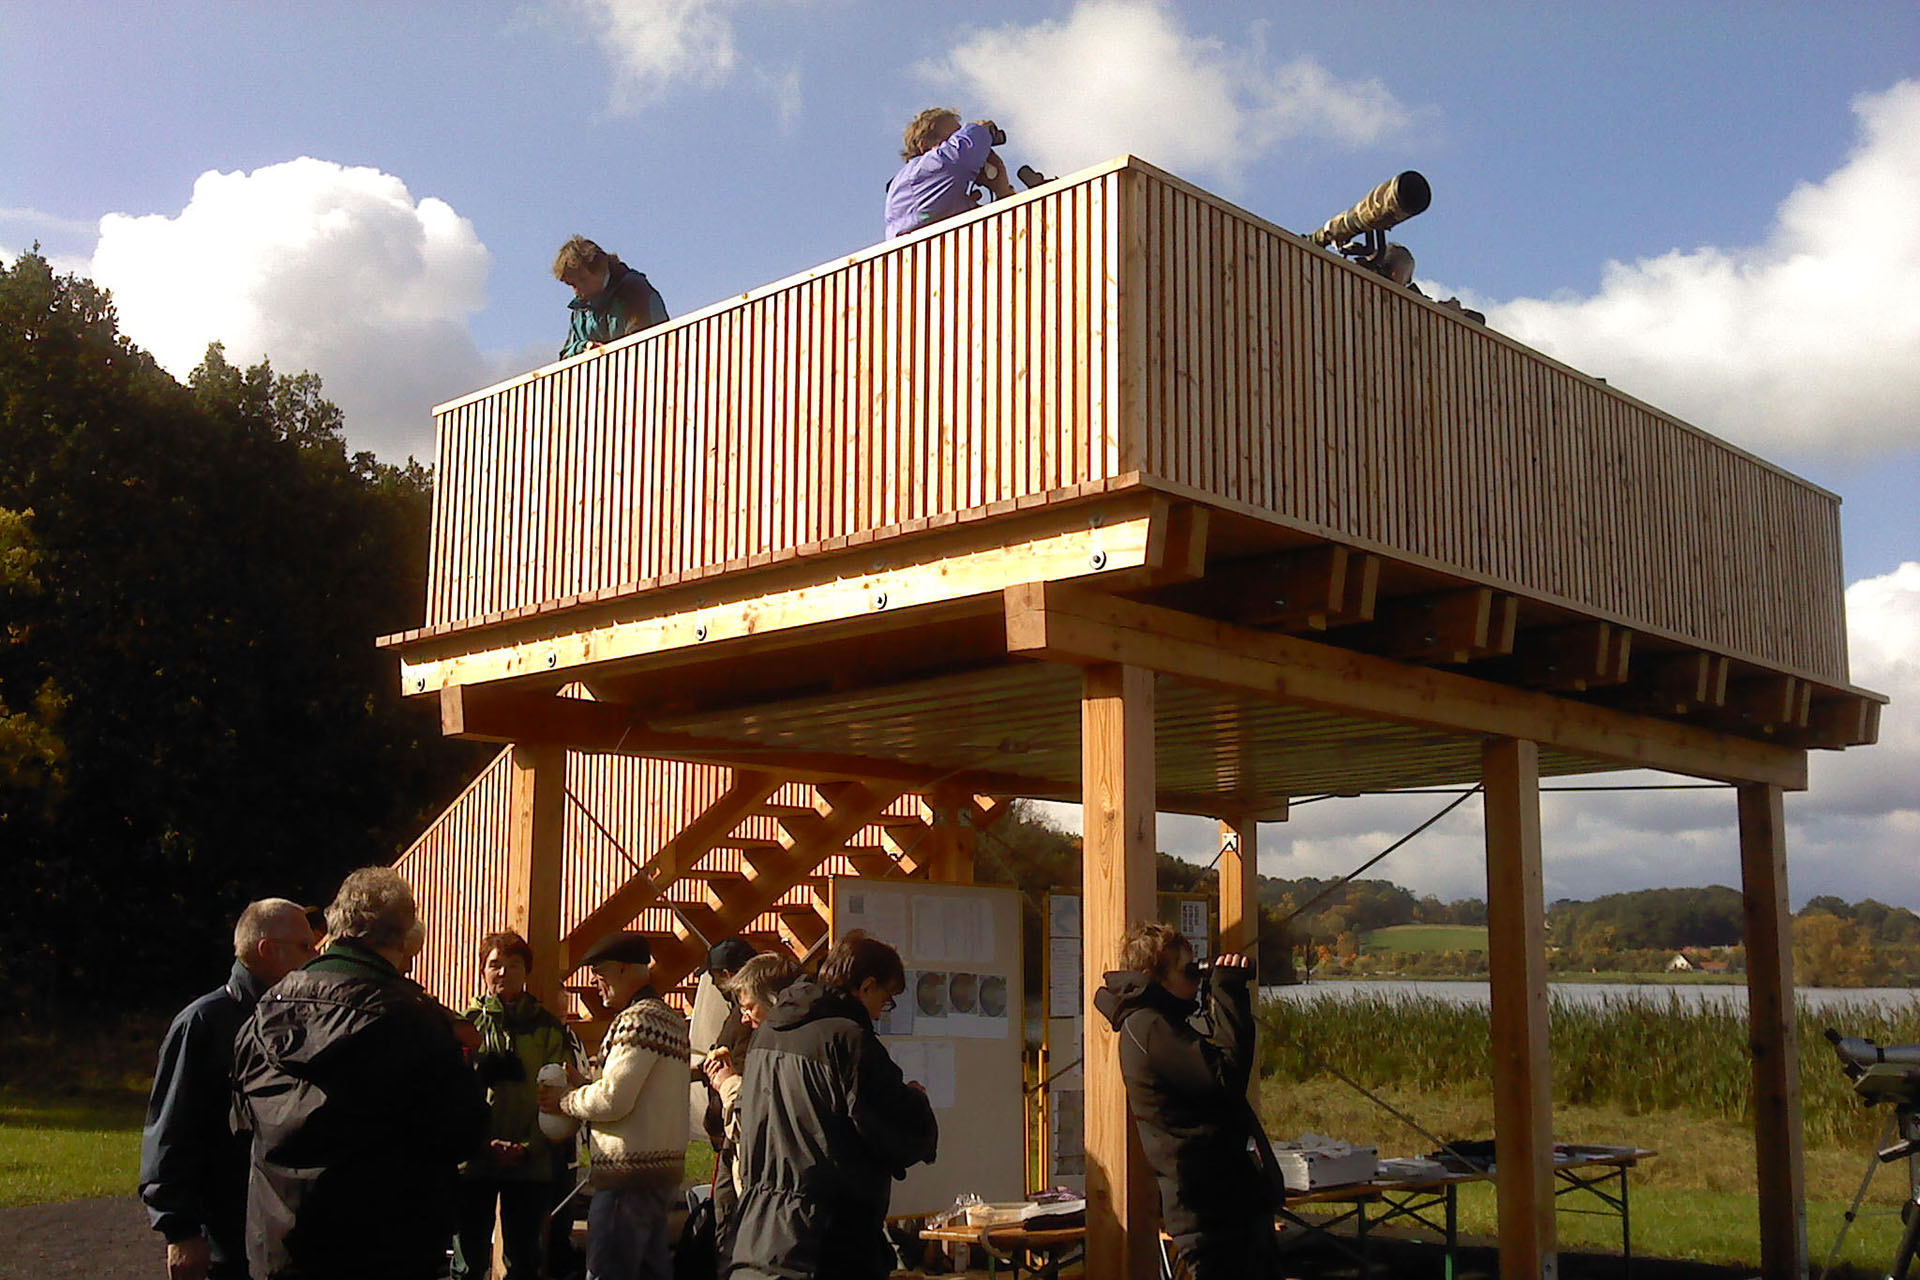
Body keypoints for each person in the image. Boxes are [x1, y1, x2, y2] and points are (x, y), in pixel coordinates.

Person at [232, 867, 489, 1280]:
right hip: (383, 1250)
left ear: (336, 924)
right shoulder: (415, 1021)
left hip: (281, 1248)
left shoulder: (264, 1011)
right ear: (405, 936)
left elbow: (242, 1124)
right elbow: (462, 1132)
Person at [723, 932, 938, 1280]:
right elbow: (886, 1128)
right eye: (886, 1000)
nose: (882, 1013)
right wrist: (917, 1103)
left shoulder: (768, 1033)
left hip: (760, 1229)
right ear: (866, 986)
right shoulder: (849, 1039)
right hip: (828, 1240)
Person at [139, 899, 316, 1280]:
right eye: (305, 946)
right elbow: (171, 1128)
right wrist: (180, 1230)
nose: (315, 955)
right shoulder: (204, 1022)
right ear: (268, 950)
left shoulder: (299, 1018)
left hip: (283, 1237)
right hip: (224, 1237)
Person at [1094, 922, 1276, 1279]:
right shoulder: (1149, 1027)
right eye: (1187, 970)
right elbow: (1226, 1078)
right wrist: (1228, 992)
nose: (1195, 978)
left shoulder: (1161, 1024)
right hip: (1208, 1212)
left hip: (1221, 1204)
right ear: (1156, 976)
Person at [539, 931, 690, 1280]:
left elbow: (613, 1100)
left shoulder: (637, 1021)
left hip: (628, 1178)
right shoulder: (670, 1020)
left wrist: (566, 1100)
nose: (597, 984)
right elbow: (639, 1096)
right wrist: (587, 1086)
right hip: (661, 1174)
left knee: (608, 1270)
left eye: (601, 974)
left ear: (624, 970)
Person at [452, 930, 575, 1280]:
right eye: (495, 965)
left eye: (513, 965)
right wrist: (479, 1145)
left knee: (524, 1261)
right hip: (474, 1162)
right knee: (467, 1262)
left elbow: (558, 1099)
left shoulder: (549, 1028)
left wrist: (527, 1148)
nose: (503, 972)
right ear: (482, 971)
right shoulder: (465, 1024)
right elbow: (452, 1095)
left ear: (527, 971)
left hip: (529, 1164)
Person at [699, 952, 801, 1211]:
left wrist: (728, 1084)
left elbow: (756, 1122)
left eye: (749, 1007)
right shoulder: (771, 1040)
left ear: (775, 1003)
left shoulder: (785, 1049)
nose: (744, 1018)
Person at [695, 938, 759, 1223]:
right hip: (729, 1128)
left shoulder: (748, 1019)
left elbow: (741, 1072)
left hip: (737, 1130)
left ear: (726, 975)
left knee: (729, 1211)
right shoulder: (743, 1012)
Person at [883, 108, 1014, 239]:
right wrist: (980, 130)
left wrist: (1002, 190)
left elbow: (1000, 234)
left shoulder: (940, 194)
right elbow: (959, 154)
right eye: (954, 137)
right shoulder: (919, 172)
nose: (959, 138)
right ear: (925, 145)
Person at [554, 235, 669, 360]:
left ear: (601, 268)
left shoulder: (634, 290)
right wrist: (584, 347)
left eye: (582, 280)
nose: (577, 291)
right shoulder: (581, 310)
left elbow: (644, 346)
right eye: (572, 285)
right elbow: (565, 356)